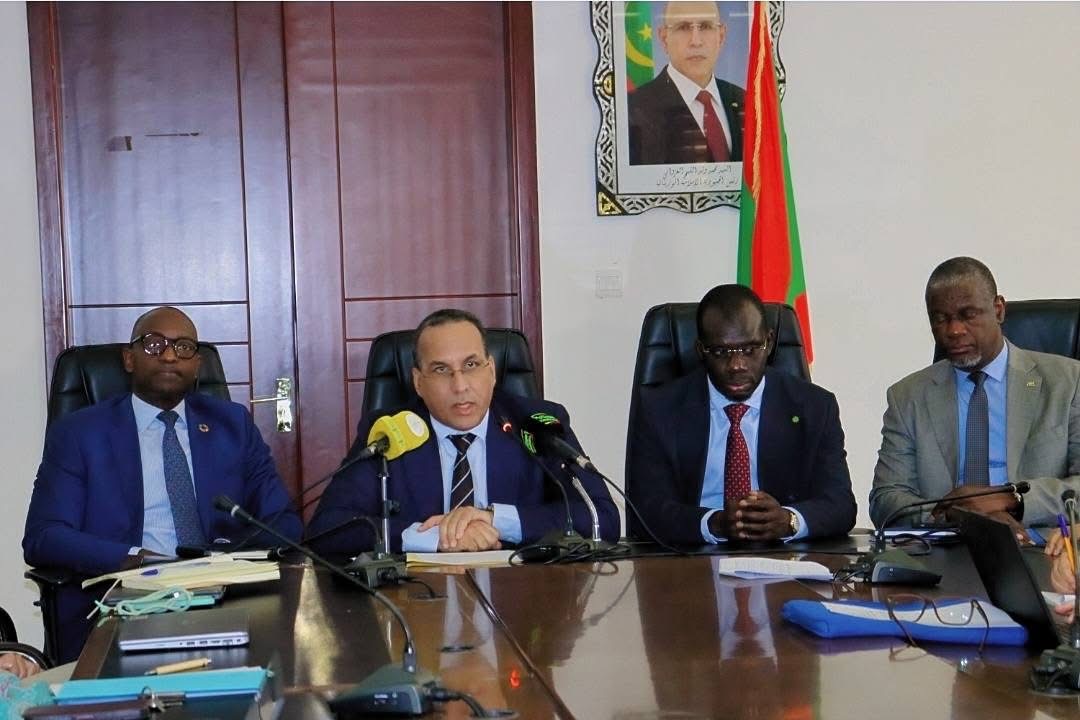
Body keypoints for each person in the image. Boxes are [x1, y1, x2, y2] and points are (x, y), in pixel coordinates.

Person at [23, 306, 301, 661]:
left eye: (184, 347)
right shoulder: (80, 433)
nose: (170, 356)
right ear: (129, 359)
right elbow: (44, 536)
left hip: (224, 596)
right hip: (125, 601)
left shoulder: (233, 425)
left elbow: (283, 523)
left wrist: (224, 559)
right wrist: (133, 559)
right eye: (154, 344)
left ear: (197, 364)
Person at [308, 309, 619, 553]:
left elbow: (602, 518)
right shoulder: (389, 433)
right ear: (418, 382)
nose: (460, 386)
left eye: (471, 365)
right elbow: (327, 529)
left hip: (521, 597)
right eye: (441, 370)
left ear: (491, 370)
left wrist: (497, 521)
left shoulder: (536, 424)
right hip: (419, 602)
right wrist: (432, 537)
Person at [628, 284, 857, 545]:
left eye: (750, 350)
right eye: (721, 352)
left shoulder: (815, 407)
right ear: (701, 350)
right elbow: (646, 510)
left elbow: (840, 504)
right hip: (691, 555)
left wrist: (789, 520)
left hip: (784, 556)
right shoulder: (660, 409)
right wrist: (714, 524)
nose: (736, 365)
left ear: (769, 343)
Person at [869, 257, 1080, 539]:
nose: (954, 330)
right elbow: (885, 499)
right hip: (943, 550)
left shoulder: (1068, 382)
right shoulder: (908, 396)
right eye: (940, 319)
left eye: (968, 315)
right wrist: (955, 515)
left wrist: (1014, 501)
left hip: (1040, 549)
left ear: (998, 310)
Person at [628, 1, 744, 165]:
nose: (696, 41)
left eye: (705, 26)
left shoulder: (746, 101)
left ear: (721, 36)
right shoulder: (633, 109)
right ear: (664, 38)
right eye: (683, 27)